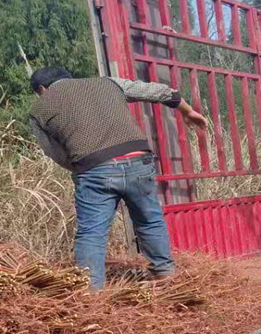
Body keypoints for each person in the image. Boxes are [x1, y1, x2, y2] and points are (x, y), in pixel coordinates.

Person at [29, 66, 207, 289]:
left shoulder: (39, 110)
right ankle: (165, 275)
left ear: (42, 89)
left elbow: (54, 153)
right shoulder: (108, 83)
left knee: (92, 233)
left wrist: (83, 169)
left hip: (93, 168)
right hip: (137, 159)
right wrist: (186, 110)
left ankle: (92, 292)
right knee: (149, 220)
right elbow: (160, 91)